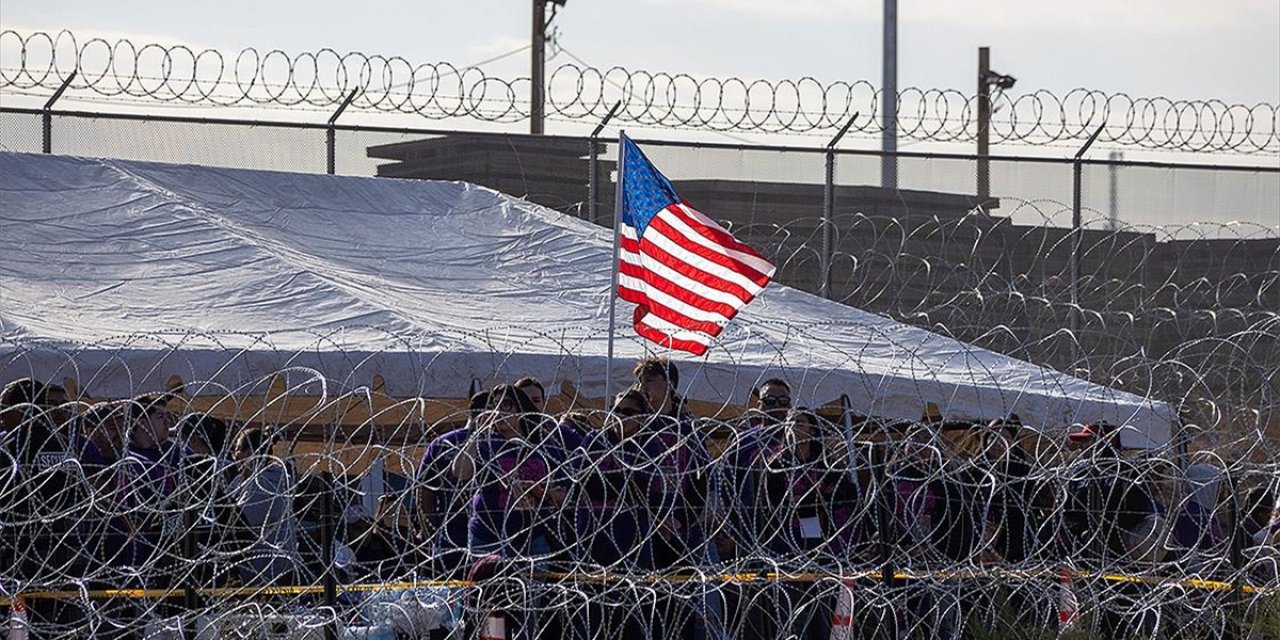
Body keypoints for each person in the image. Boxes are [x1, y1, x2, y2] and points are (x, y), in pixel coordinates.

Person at [227, 426, 300, 586]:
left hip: (268, 576)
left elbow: (236, 524)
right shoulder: (250, 481)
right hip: (270, 572)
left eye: (237, 450)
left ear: (251, 453)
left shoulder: (262, 485)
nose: (234, 456)